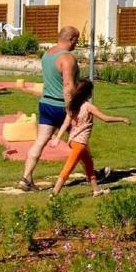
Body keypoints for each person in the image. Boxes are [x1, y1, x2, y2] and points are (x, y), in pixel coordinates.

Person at [19, 25, 80, 191]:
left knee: (39, 142)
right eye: (77, 40)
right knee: (80, 141)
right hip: (61, 105)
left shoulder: (47, 54)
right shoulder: (67, 58)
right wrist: (71, 108)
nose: (77, 44)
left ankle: (26, 178)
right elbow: (67, 85)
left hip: (46, 103)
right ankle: (93, 175)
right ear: (71, 39)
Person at [49, 79, 130, 197]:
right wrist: (121, 119)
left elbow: (66, 123)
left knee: (89, 164)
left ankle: (96, 190)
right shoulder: (88, 107)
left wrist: (58, 138)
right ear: (87, 93)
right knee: (68, 168)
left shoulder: (73, 105)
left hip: (73, 141)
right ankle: (54, 194)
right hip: (80, 143)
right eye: (91, 90)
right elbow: (105, 118)